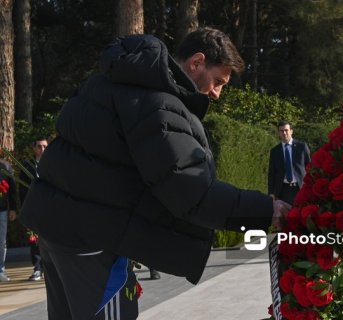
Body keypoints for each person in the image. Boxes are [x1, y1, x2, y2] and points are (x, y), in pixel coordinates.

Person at [20, 28, 289, 319]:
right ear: (197, 62)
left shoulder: (108, 82)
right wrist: (267, 210)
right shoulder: (159, 106)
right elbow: (192, 192)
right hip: (93, 241)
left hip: (56, 230)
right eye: (218, 81)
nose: (217, 93)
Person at [18, 137, 48, 281]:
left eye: (45, 146)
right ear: (34, 148)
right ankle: (37, 267)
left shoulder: (53, 164)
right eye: (39, 147)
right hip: (33, 208)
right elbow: (22, 189)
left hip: (50, 208)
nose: (42, 150)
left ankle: (49, 267)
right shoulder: (27, 166)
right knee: (35, 240)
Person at [268, 121, 311, 205]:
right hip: (283, 190)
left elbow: (309, 167)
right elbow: (272, 173)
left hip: (300, 188)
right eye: (281, 131)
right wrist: (271, 193)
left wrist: (310, 186)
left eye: (286, 130)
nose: (284, 133)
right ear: (279, 133)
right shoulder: (275, 151)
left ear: (291, 131)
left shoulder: (301, 147)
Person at [0, 159, 17, 282]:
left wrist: (13, 208)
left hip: (2, 209)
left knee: (1, 241)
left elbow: (12, 189)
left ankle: (0, 270)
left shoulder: (5, 165)